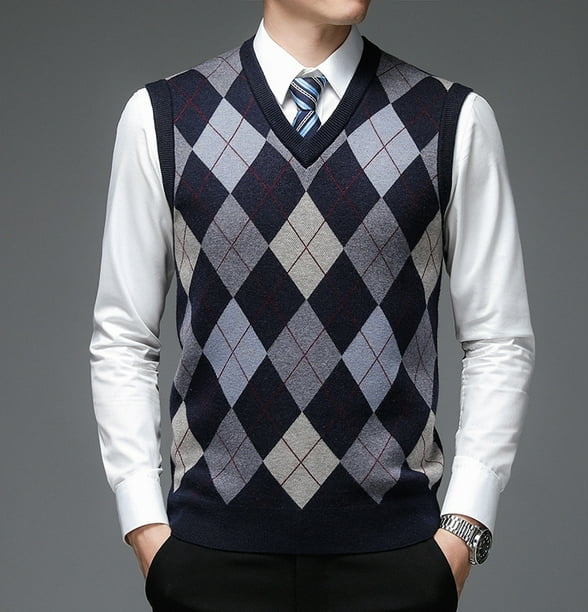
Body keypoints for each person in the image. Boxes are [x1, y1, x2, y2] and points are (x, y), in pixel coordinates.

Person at [89, 0, 535, 610]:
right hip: (208, 561)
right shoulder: (164, 117)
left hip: (396, 562)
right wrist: (145, 526)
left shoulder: (451, 120)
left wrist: (465, 528)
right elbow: (123, 336)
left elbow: (498, 339)